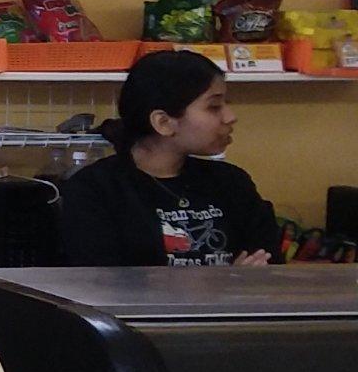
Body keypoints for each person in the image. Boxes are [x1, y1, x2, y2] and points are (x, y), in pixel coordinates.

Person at [59, 50, 282, 267]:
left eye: (226, 104)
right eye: (214, 107)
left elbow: (267, 262)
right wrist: (228, 281)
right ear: (163, 123)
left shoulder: (232, 182)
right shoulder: (95, 189)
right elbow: (103, 283)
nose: (230, 117)